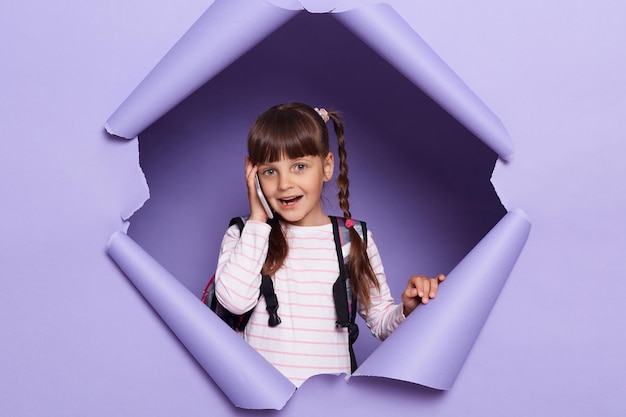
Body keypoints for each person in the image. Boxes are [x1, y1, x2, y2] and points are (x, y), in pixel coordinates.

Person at [214, 102, 444, 387]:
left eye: (299, 166)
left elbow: (382, 323)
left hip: (329, 406)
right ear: (254, 174)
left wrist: (408, 310)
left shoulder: (353, 238)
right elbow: (234, 302)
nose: (285, 183)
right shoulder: (245, 233)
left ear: (326, 167)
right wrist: (258, 218)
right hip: (261, 400)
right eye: (270, 171)